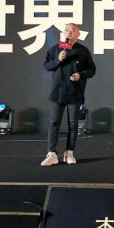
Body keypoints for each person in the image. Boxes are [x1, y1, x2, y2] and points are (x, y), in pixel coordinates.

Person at [41, 23, 96, 166]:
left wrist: (81, 75)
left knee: (73, 124)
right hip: (57, 92)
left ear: (78, 34)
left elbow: (92, 70)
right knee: (54, 123)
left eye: (72, 31)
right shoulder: (56, 49)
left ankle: (69, 153)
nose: (69, 33)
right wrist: (58, 60)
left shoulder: (83, 51)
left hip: (75, 92)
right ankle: (52, 154)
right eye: (66, 30)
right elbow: (47, 66)